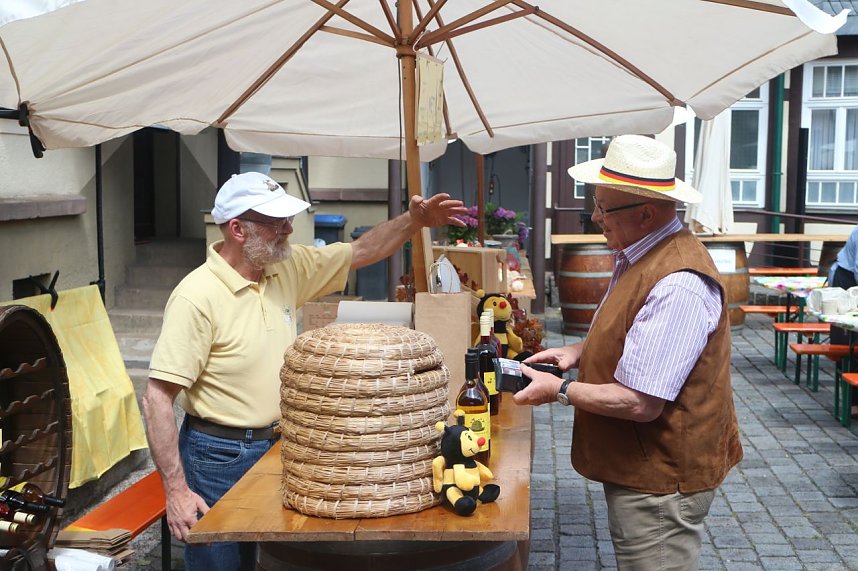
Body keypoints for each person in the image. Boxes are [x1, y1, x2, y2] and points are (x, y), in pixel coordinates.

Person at [142, 171, 466, 570]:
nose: (289, 229)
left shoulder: (283, 268)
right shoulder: (196, 297)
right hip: (218, 456)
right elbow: (157, 398)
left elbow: (360, 250)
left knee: (274, 560)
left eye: (287, 219)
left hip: (282, 446)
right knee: (220, 563)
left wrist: (414, 221)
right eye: (275, 222)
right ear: (238, 229)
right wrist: (175, 490)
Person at [513, 135, 743, 570]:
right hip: (646, 468)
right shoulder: (643, 251)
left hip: (662, 479)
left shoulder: (678, 282)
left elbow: (640, 402)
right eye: (595, 204)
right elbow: (634, 331)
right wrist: (579, 351)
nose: (595, 217)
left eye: (604, 208)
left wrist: (559, 390)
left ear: (646, 213)